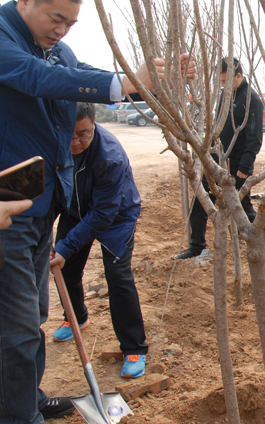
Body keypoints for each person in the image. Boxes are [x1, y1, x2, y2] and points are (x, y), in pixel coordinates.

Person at [0, 0, 194, 421]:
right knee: (13, 330)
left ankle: (26, 398)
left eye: (72, 23)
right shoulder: (5, 39)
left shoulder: (56, 52)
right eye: (57, 19)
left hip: (41, 212)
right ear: (27, 2)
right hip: (7, 213)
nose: (64, 31)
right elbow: (40, 79)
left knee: (31, 319)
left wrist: (153, 82)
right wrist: (121, 81)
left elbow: (78, 73)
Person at [49, 103, 148, 379]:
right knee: (65, 268)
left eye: (84, 134)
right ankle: (77, 317)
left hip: (116, 216)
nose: (76, 142)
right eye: (70, 134)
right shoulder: (55, 141)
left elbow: (102, 215)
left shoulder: (109, 156)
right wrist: (43, 230)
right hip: (74, 209)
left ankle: (134, 347)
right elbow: (51, 190)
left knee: (117, 276)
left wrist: (67, 246)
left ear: (94, 123)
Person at [178, 58, 265, 262]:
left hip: (238, 165)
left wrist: (245, 167)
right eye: (221, 81)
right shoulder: (225, 95)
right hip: (217, 161)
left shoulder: (251, 100)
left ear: (238, 76)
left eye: (225, 81)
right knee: (200, 200)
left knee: (243, 208)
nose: (222, 85)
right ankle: (197, 247)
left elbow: (254, 137)